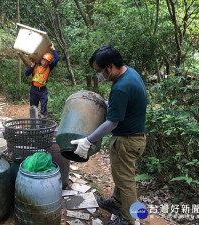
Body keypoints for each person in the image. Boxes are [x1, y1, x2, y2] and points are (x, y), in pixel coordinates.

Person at [71, 45, 147, 225]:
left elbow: (112, 122)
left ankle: (129, 219)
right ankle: (117, 202)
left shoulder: (121, 87)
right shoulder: (130, 73)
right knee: (121, 174)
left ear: (110, 67)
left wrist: (88, 140)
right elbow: (123, 105)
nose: (99, 75)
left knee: (126, 181)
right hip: (133, 137)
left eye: (99, 71)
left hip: (127, 141)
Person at [25, 43, 59, 118]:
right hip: (34, 89)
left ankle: (43, 121)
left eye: (46, 61)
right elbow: (26, 74)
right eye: (43, 60)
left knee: (44, 104)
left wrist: (53, 49)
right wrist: (31, 67)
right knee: (33, 107)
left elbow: (57, 59)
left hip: (43, 90)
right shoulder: (35, 66)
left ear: (48, 62)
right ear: (41, 60)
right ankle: (33, 123)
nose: (44, 62)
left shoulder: (49, 68)